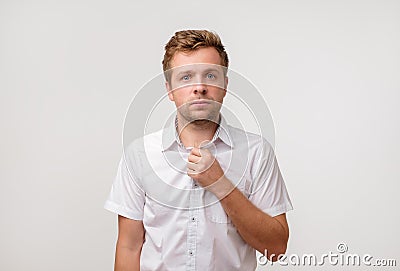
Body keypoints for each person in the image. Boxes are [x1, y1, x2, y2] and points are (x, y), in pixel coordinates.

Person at [104, 29, 293, 271]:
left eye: (211, 76)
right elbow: (129, 247)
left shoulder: (257, 152)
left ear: (225, 85)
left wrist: (220, 183)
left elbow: (276, 248)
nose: (200, 87)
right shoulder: (140, 155)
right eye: (185, 78)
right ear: (169, 90)